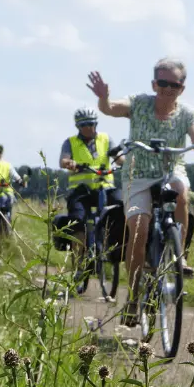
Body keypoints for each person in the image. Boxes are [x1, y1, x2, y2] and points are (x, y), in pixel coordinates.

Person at [86, 57, 194, 325]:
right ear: (153, 84)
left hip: (171, 170)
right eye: (163, 83)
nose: (168, 89)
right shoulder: (139, 103)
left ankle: (179, 259)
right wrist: (103, 98)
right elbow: (110, 108)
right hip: (137, 175)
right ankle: (133, 299)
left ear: (182, 88)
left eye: (174, 85)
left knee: (181, 193)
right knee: (138, 230)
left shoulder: (188, 113)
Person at [58, 107, 124, 291]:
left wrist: (124, 162)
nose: (89, 127)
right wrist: (70, 163)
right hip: (81, 191)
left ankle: (114, 249)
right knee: (78, 222)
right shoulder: (70, 142)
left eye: (92, 123)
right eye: (85, 124)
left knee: (121, 209)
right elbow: (63, 160)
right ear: (78, 126)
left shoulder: (105, 139)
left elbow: (118, 157)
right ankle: (80, 265)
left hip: (105, 187)